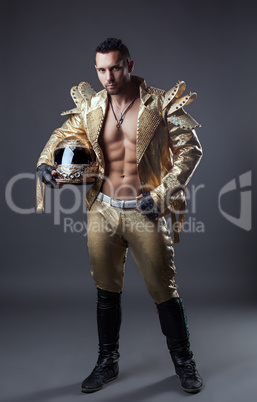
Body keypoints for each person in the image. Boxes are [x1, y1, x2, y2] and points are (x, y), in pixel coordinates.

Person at [36, 38, 203, 394]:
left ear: (129, 64)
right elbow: (64, 135)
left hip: (145, 212)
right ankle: (106, 363)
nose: (108, 77)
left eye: (114, 67)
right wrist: (45, 165)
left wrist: (161, 196)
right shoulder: (93, 105)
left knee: (163, 290)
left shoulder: (159, 103)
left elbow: (189, 150)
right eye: (100, 69)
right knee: (106, 290)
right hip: (103, 210)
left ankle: (184, 365)